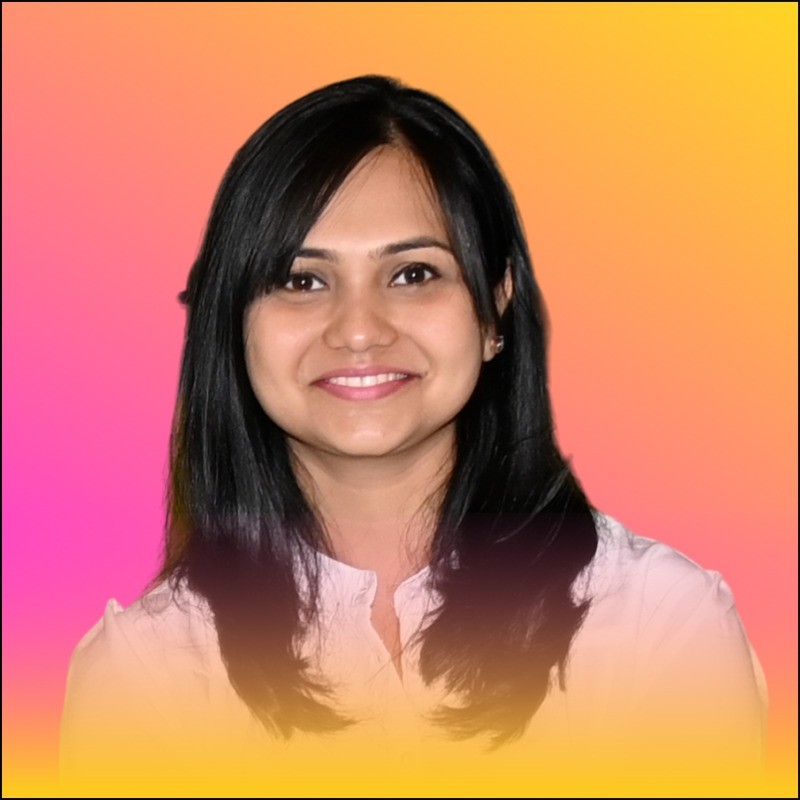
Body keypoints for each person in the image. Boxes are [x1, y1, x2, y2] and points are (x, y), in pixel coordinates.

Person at [59, 75, 767, 796]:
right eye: (302, 281)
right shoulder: (145, 677)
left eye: (413, 273)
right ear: (232, 322)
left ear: (494, 307)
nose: (359, 330)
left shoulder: (659, 628)